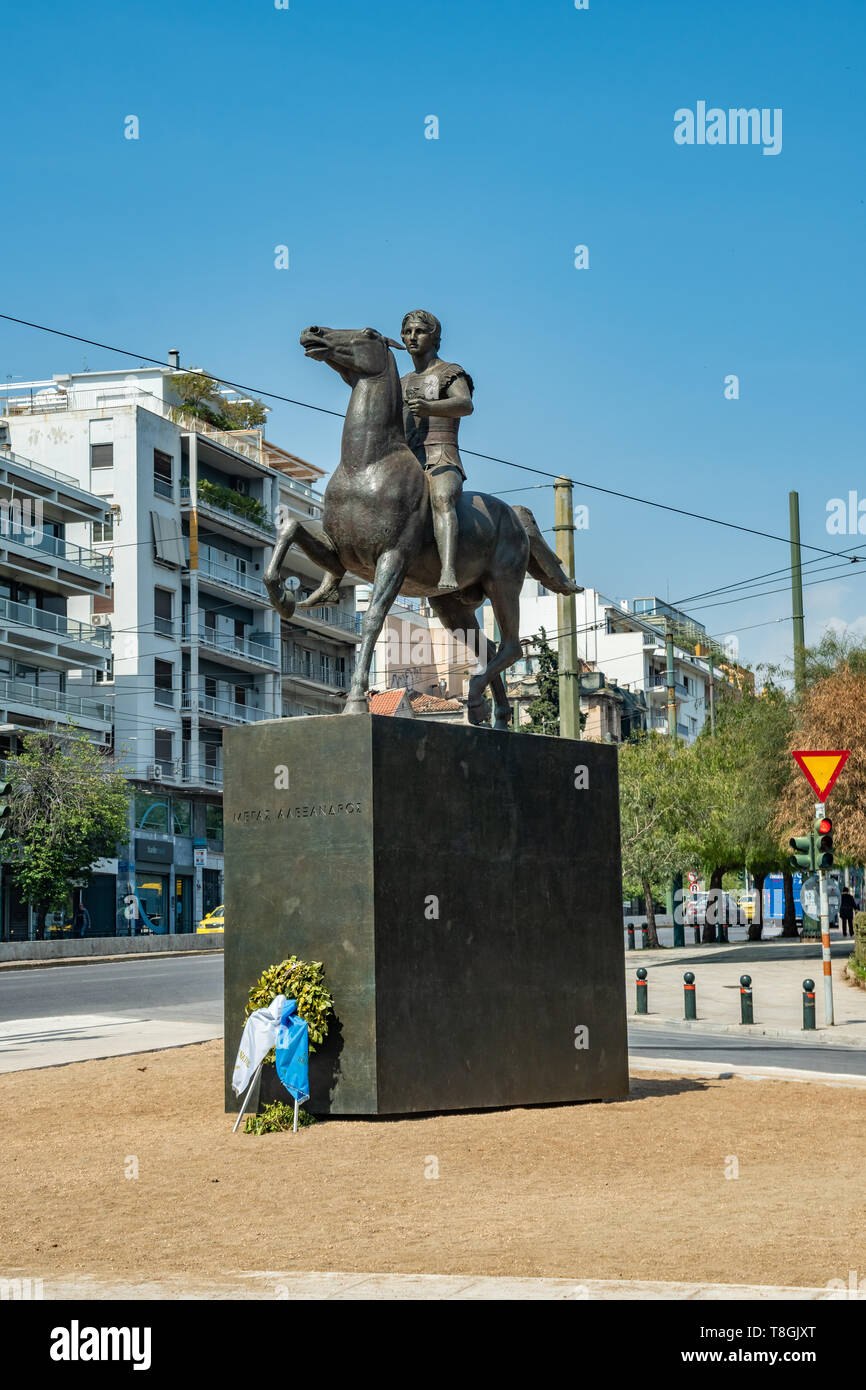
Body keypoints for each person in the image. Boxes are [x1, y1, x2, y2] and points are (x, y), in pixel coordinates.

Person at [400, 309, 474, 593]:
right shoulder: (402, 382)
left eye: (419, 331)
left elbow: (465, 405)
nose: (412, 337)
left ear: (435, 336)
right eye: (407, 332)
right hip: (409, 462)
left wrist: (430, 407)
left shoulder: (450, 373)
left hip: (442, 458)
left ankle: (448, 569)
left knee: (442, 497)